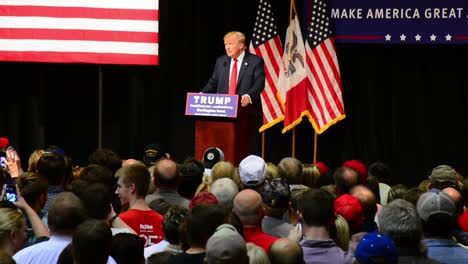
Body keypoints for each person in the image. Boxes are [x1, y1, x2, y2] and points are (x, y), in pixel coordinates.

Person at [201, 31, 265, 107]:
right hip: (223, 108)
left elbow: (259, 83)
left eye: (230, 44)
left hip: (245, 108)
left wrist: (249, 95)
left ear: (241, 45)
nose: (227, 47)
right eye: (225, 44)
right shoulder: (221, 61)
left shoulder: (255, 61)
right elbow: (213, 82)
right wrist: (202, 94)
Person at [114, 164, 164, 247]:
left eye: (119, 186)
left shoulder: (120, 221)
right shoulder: (162, 221)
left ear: (132, 188)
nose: (116, 192)